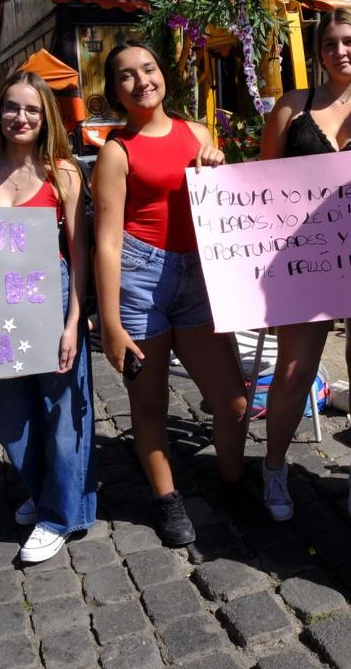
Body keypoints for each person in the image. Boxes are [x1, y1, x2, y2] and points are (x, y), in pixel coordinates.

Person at [92, 39, 248, 547]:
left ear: (163, 74)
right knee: (150, 405)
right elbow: (108, 243)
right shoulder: (116, 152)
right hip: (141, 279)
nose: (142, 81)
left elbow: (228, 207)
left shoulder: (197, 132)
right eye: (127, 76)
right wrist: (111, 323)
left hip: (197, 277)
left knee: (233, 403)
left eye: (149, 68)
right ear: (115, 91)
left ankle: (232, 483)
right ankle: (167, 499)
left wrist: (218, 164)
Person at [259, 7, 351, 521]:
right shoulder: (293, 106)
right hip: (303, 262)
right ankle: (274, 466)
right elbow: (260, 186)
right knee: (293, 370)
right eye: (329, 44)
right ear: (318, 53)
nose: (339, 52)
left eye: (349, 41)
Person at [0, 70, 96, 563]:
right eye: (12, 108)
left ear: (47, 118)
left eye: (31, 110)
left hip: (52, 295)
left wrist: (73, 322)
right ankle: (45, 492)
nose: (20, 117)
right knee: (13, 419)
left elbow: (79, 254)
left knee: (62, 411)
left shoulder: (63, 173)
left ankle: (61, 515)